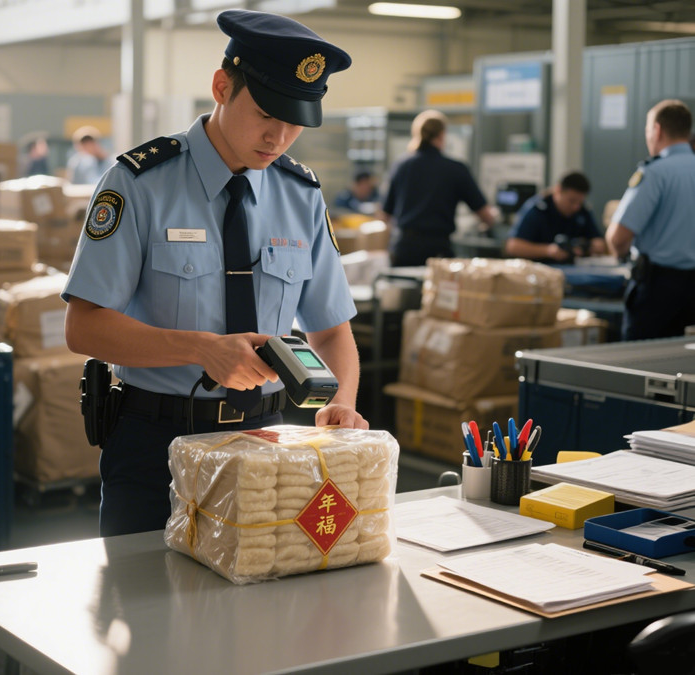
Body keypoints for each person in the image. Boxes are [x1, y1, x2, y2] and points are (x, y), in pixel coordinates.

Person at [62, 9, 367, 537]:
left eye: (296, 121)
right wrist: (203, 349)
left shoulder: (301, 195)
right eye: (267, 113)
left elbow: (332, 328)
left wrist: (341, 403)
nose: (279, 136)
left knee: (257, 608)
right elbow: (84, 327)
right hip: (156, 445)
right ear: (222, 87)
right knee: (146, 607)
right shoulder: (139, 183)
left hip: (266, 445)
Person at [607, 99, 695, 341]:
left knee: (640, 364)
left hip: (658, 290)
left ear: (657, 130)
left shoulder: (655, 173)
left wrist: (621, 255)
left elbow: (618, 237)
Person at [382, 110, 496, 266]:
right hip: (437, 249)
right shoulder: (455, 169)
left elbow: (384, 215)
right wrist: (492, 221)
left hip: (404, 248)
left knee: (405, 289)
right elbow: (485, 214)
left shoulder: (401, 166)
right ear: (442, 134)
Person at [505, 171, 606, 263]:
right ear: (558, 190)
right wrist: (548, 251)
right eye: (572, 201)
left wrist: (585, 247)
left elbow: (599, 242)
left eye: (580, 202)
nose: (576, 207)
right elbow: (513, 246)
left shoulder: (582, 211)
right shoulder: (538, 209)